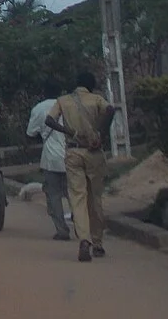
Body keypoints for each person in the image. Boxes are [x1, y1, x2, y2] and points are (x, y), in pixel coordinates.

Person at [47, 71, 116, 262]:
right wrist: (101, 135)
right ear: (91, 85)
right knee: (95, 199)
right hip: (94, 153)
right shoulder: (96, 99)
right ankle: (98, 243)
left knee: (78, 198)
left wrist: (69, 131)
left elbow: (49, 120)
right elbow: (110, 110)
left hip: (73, 151)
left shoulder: (63, 100)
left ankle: (84, 240)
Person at [27, 79, 71, 241]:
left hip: (51, 157)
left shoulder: (38, 108)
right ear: (61, 92)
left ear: (43, 92)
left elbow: (30, 133)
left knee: (53, 196)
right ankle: (82, 228)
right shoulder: (69, 105)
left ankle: (62, 230)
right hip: (72, 154)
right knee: (74, 194)